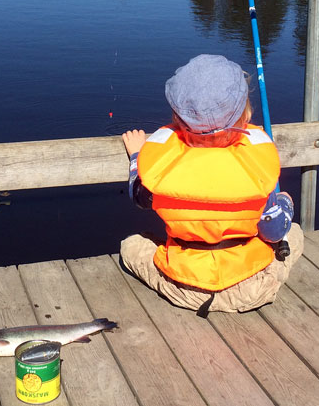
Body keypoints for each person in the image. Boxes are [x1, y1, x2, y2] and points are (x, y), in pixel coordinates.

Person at [120, 54, 304, 315]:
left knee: (131, 246)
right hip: (251, 286)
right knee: (293, 232)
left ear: (178, 117)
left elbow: (138, 194)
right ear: (245, 116)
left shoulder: (162, 168)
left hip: (186, 287)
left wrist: (138, 155)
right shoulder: (257, 166)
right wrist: (284, 201)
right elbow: (274, 232)